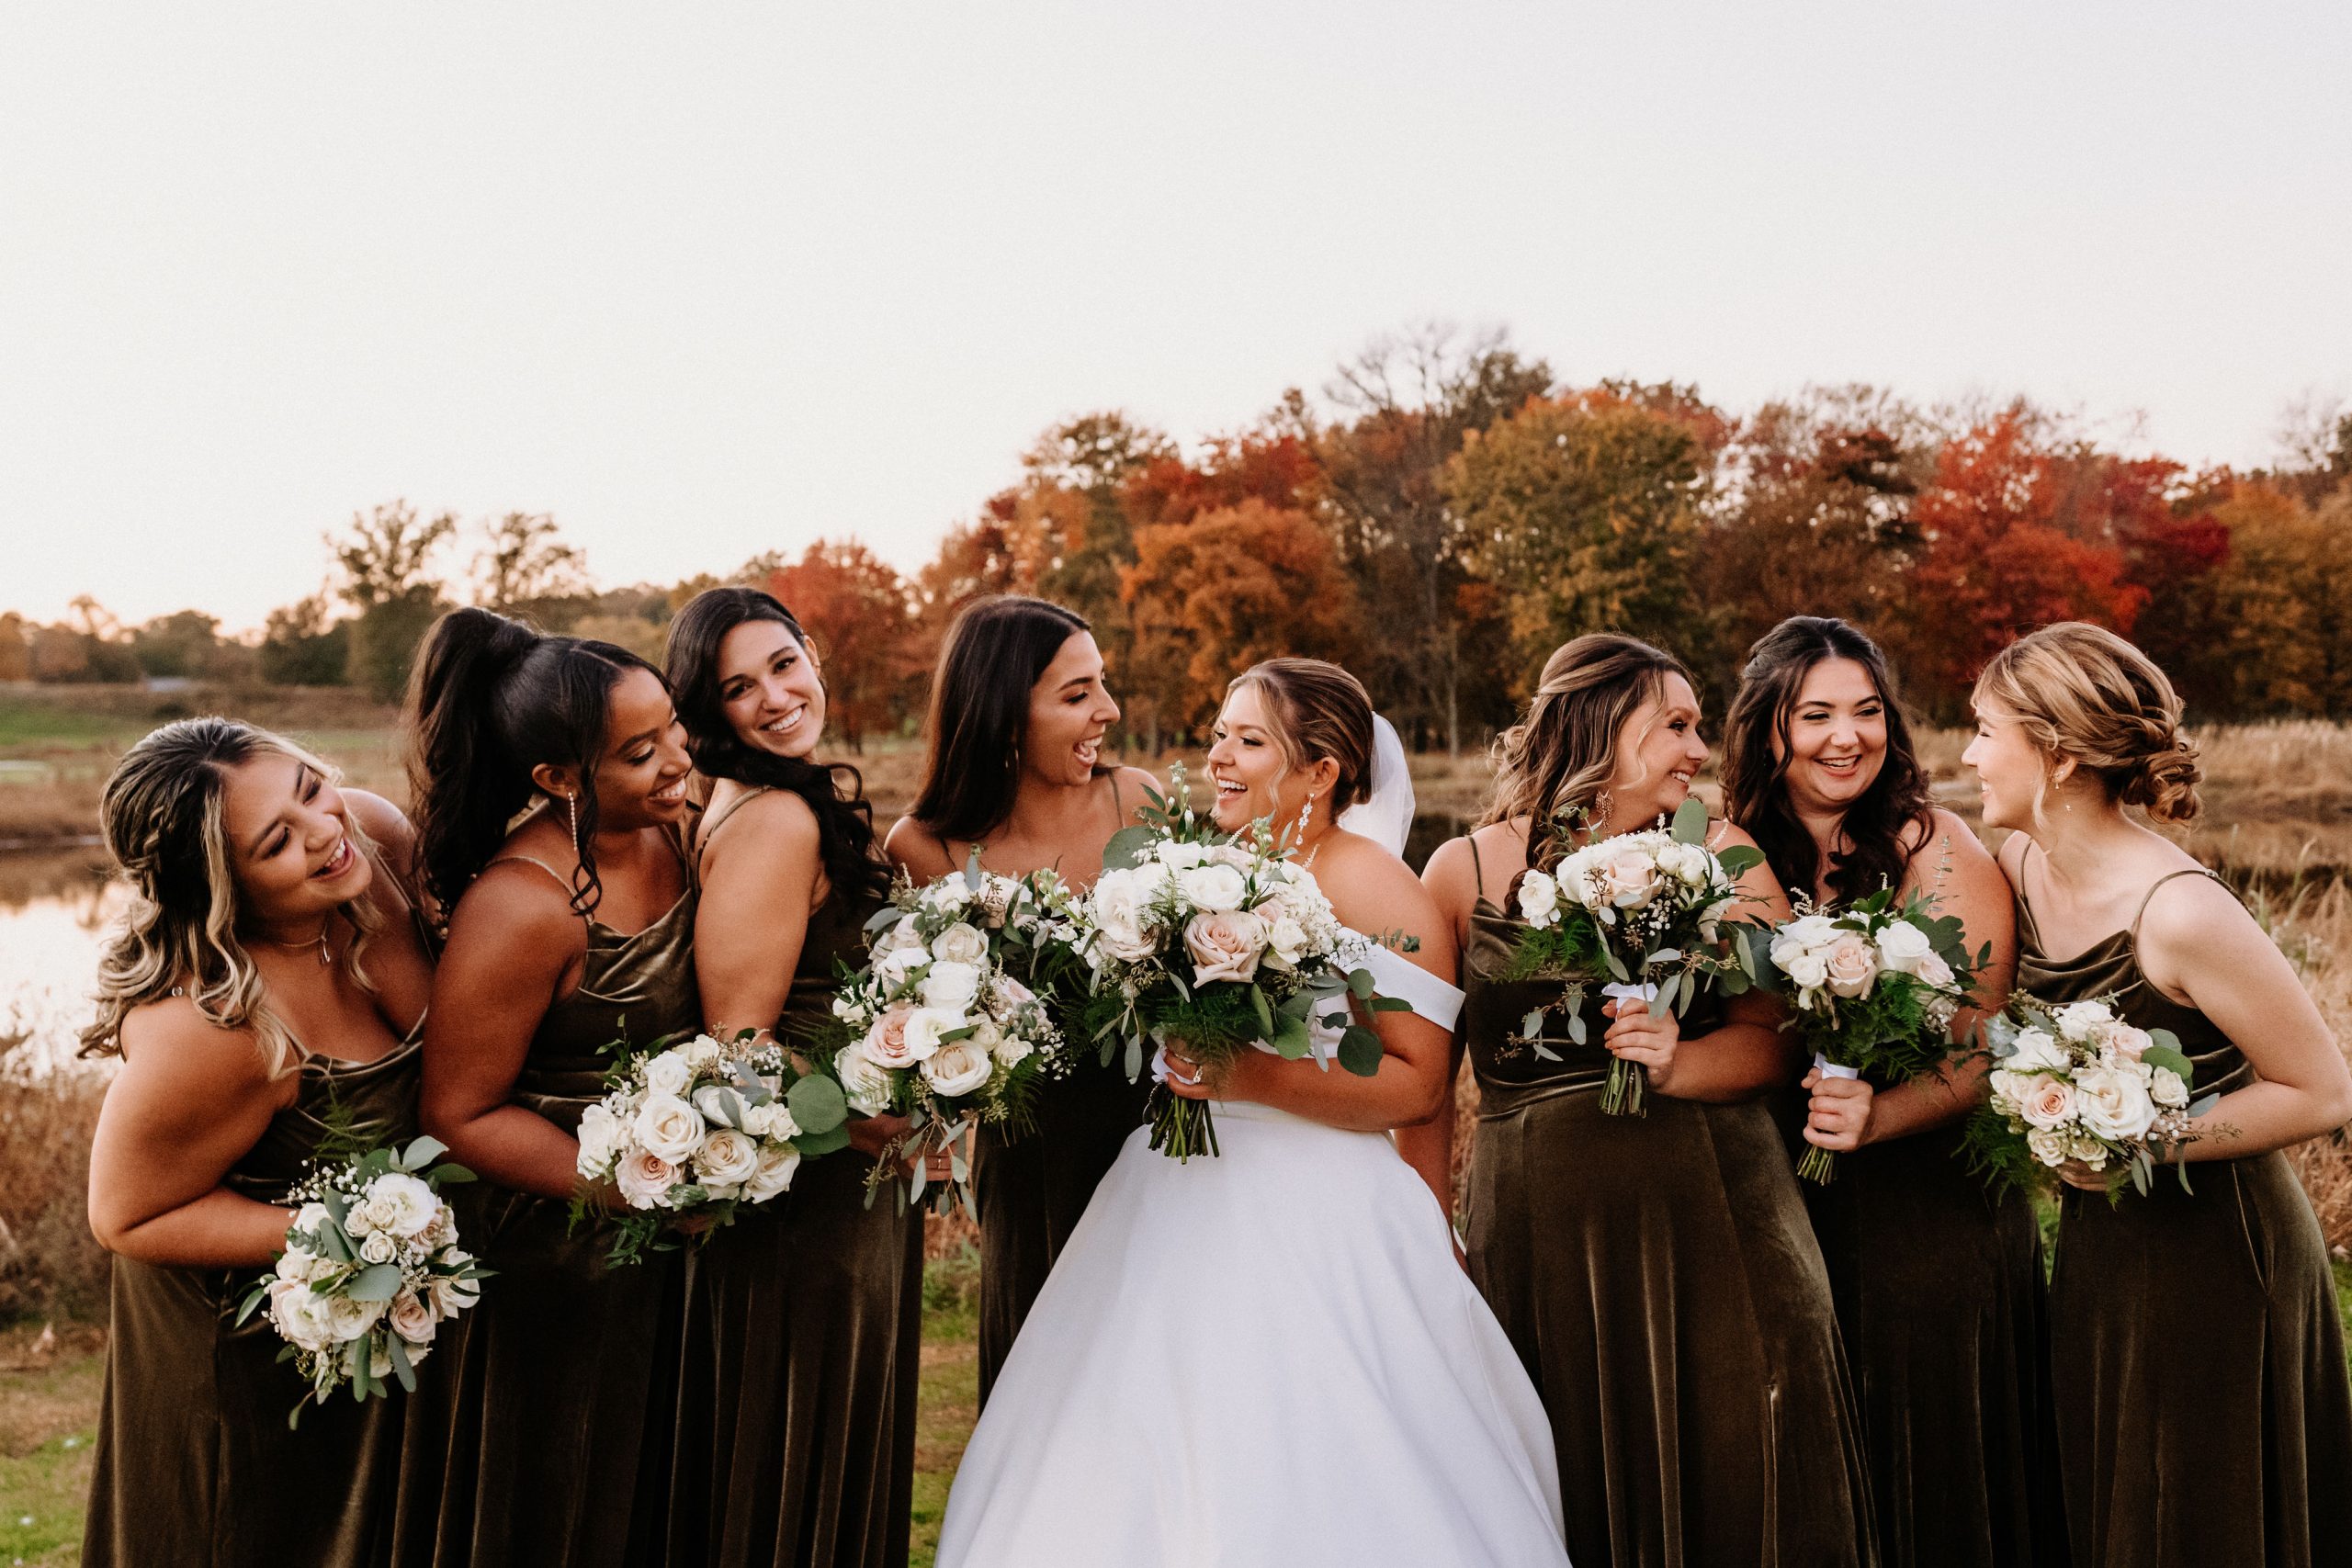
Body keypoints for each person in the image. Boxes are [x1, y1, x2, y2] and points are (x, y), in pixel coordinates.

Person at [936, 658, 1571, 1568]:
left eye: (1249, 741)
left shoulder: (1375, 889)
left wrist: (1254, 1079)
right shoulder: (1196, 871)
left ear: (1321, 771)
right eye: (1219, 735)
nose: (1219, 758)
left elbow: (1419, 1084)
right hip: (1169, 1188)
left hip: (1322, 1205)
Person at [1419, 633, 1873, 1567]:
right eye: (1674, 725)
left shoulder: (1725, 850)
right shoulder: (1460, 870)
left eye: (1698, 726)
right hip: (1540, 1239)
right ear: (1597, 726)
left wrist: (1679, 1063)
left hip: (1717, 1220)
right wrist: (1433, 1237)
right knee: (1566, 1479)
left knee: (1747, 1478)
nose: (1699, 749)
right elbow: (1425, 1090)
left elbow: (1776, 1038)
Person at [1972, 620, 2352, 1566]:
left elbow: (2319, 1091)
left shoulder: (2178, 911)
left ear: (2055, 756)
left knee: (2203, 1509)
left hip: (2219, 1252)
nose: (1967, 754)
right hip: (2105, 1250)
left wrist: (2130, 1144)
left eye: (1983, 731)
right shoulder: (2021, 867)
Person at [1722, 615, 2055, 1566]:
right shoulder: (1720, 853)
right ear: (1768, 729)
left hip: (1926, 1209)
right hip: (1782, 1208)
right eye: (1815, 714)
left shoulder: (1932, 844)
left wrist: (1880, 1116)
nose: (1846, 737)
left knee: (1931, 1462)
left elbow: (1979, 1047)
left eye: (1865, 712)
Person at [81, 718, 434, 1568]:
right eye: (278, 840)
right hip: (256, 1358)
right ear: (221, 888)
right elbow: (126, 1214)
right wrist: (360, 1235)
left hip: (385, 1335)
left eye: (308, 786)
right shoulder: (219, 1029)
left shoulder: (368, 838)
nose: (324, 827)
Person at [396, 607, 699, 1568]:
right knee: (567, 1507)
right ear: (560, 779)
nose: (678, 761)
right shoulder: (520, 908)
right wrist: (636, 1188)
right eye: (641, 751)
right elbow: (456, 1113)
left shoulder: (679, 831)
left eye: (674, 729)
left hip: (676, 1242)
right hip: (562, 1263)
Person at [661, 586, 922, 1568]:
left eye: (783, 662)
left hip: (833, 1183)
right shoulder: (773, 820)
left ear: (813, 653)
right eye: (738, 687)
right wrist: (868, 1111)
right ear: (705, 710)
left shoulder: (760, 799)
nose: (775, 695)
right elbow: (738, 1044)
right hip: (812, 1200)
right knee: (797, 1463)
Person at [883, 595, 1156, 1400]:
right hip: (1030, 1167)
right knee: (1045, 1390)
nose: (1107, 710)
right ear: (1003, 714)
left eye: (1101, 684)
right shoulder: (924, 845)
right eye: (1076, 695)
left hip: (1156, 1145)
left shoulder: (1136, 803)